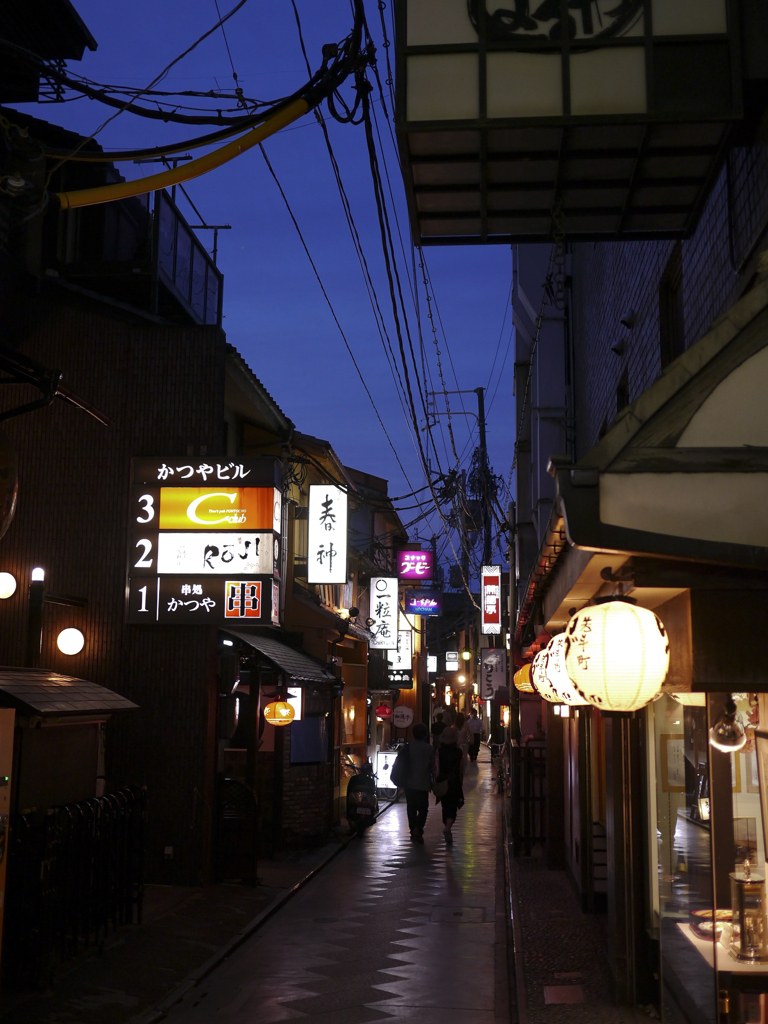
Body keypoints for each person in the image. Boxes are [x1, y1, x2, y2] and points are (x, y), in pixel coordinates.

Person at [434, 727, 464, 844]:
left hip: (443, 781)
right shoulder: (459, 752)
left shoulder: (439, 751)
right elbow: (461, 769)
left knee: (445, 805)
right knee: (453, 806)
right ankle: (448, 827)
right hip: (455, 781)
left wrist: (436, 780)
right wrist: (460, 782)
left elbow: (437, 769)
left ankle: (446, 826)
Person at [404, 722, 434, 843]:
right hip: (423, 783)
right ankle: (418, 828)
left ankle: (413, 829)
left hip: (409, 782)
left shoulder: (408, 747)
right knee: (423, 808)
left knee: (411, 807)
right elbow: (433, 767)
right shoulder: (430, 749)